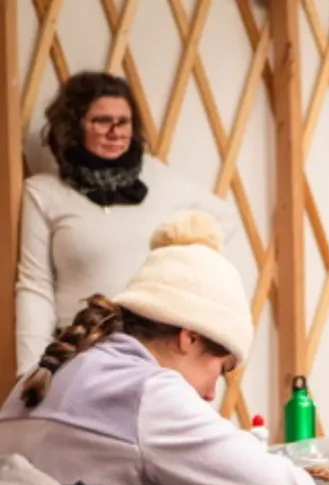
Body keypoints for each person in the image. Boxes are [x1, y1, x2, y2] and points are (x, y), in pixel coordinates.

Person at [0, 210, 318, 485]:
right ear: (189, 337)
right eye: (220, 369)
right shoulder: (148, 393)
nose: (211, 394)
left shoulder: (42, 375)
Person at [16, 71, 241, 375]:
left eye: (124, 122)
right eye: (102, 121)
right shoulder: (45, 193)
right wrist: (31, 370)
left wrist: (182, 274)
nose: (116, 132)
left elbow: (223, 218)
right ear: (74, 125)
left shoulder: (156, 177)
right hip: (83, 353)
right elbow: (35, 286)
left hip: (154, 355)